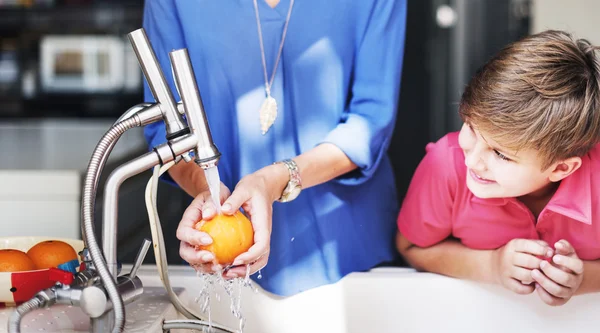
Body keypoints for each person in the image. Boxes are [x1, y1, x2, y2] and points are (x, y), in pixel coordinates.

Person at [142, 0, 407, 296]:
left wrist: (276, 179)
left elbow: (370, 120)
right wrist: (211, 196)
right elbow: (167, 129)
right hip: (226, 248)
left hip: (344, 244)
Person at [396, 30, 600, 306]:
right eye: (470, 126)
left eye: (501, 155)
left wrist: (584, 279)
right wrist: (492, 265)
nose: (472, 161)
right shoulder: (447, 164)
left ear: (562, 168)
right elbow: (410, 247)